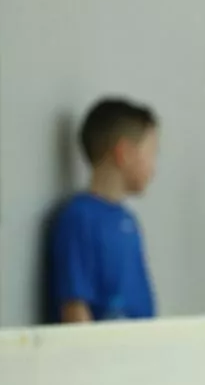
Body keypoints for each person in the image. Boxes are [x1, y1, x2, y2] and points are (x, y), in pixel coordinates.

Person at [47, 97, 159, 324]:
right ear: (124, 153)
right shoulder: (79, 218)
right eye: (151, 153)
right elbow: (75, 306)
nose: (154, 167)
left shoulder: (128, 221)